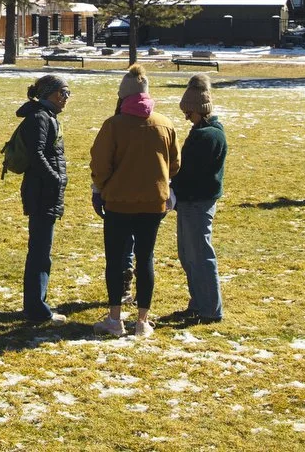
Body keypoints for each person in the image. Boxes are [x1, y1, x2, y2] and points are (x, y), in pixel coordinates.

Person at [90, 74, 178, 338]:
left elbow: (100, 165)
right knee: (146, 258)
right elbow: (174, 165)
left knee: (116, 259)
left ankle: (115, 318)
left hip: (118, 203)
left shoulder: (113, 125)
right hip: (153, 203)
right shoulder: (165, 124)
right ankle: (142, 320)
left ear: (123, 96)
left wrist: (100, 189)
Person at [166, 74, 225, 326]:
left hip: (196, 203)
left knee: (199, 255)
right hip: (193, 202)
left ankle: (210, 308)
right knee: (189, 255)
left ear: (200, 110)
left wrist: (172, 187)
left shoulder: (206, 137)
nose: (186, 117)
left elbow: (188, 171)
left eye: (188, 112)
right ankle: (199, 303)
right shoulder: (208, 132)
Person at [14, 74, 69, 324]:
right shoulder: (39, 118)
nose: (66, 99)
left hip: (44, 190)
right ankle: (37, 309)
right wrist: (55, 178)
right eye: (63, 93)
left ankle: (35, 304)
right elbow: (36, 154)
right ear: (50, 94)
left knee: (40, 250)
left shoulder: (46, 116)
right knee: (39, 252)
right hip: (41, 192)